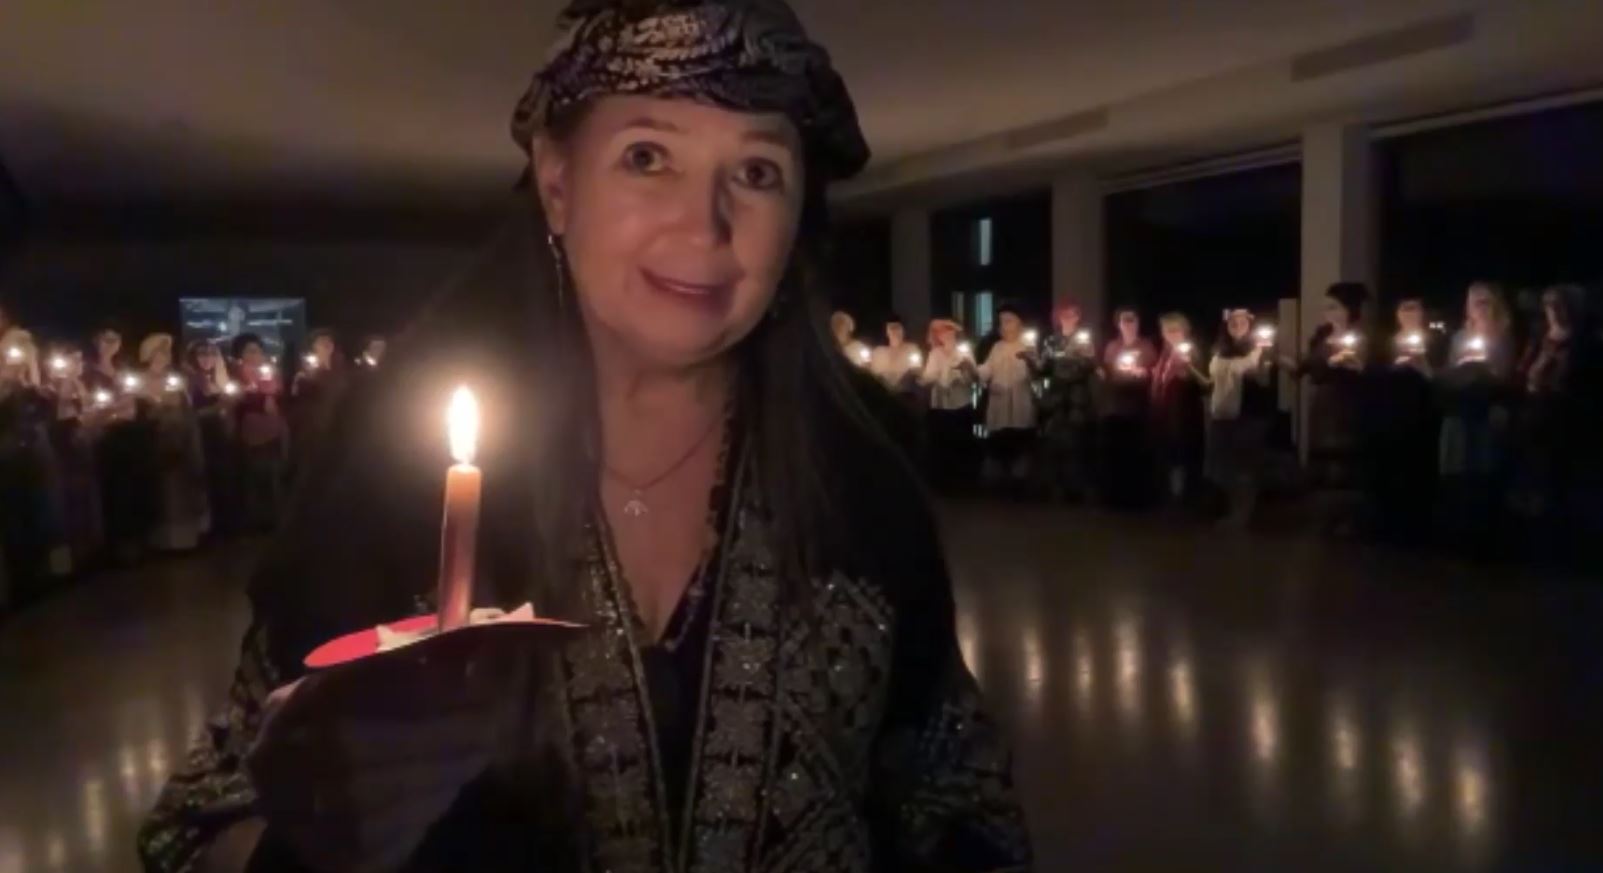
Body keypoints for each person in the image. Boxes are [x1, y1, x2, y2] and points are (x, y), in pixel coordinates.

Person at [140, 3, 1030, 871]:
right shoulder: (387, 471)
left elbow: (957, 791)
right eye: (647, 157)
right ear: (556, 183)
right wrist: (312, 834)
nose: (704, 224)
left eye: (756, 172)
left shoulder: (861, 466)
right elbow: (197, 821)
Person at [1437, 281, 1516, 547]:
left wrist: (1484, 372)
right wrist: (1462, 369)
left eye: (1485, 301)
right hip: (1460, 408)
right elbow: (1449, 372)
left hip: (1485, 409)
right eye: (1475, 302)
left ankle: (1484, 534)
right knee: (1458, 469)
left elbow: (1504, 376)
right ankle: (1457, 531)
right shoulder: (1460, 338)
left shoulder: (1502, 338)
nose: (1480, 307)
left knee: (1482, 470)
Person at [1294, 282, 1371, 536]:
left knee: (1345, 460)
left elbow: (1365, 371)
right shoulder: (1321, 338)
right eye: (1326, 307)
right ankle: (1323, 517)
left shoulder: (1360, 337)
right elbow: (1305, 368)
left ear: (1349, 310)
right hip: (1323, 404)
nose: (1328, 312)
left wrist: (1354, 364)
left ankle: (1348, 519)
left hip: (1347, 403)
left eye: (1334, 307)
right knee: (1322, 459)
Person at [1371, 298, 1443, 544]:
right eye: (1404, 308)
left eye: (1415, 308)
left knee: (1421, 464)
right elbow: (1379, 374)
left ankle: (1420, 525)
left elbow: (1439, 377)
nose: (1410, 313)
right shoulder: (1389, 342)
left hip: (1424, 409)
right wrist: (1396, 367)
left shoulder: (1434, 342)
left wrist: (1423, 366)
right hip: (1394, 411)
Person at [140, 334, 210, 552]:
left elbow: (187, 408)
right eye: (158, 352)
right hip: (156, 439)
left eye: (166, 352)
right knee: (165, 489)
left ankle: (187, 538)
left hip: (181, 437)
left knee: (183, 487)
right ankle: (165, 540)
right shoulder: (141, 380)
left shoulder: (176, 379)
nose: (163, 357)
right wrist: (157, 408)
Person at [1206, 309, 1275, 528]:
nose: (1237, 326)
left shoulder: (1259, 348)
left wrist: (1264, 359)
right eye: (1233, 322)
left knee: (1244, 467)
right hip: (1222, 413)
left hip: (1250, 413)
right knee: (1223, 467)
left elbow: (1263, 380)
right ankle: (1232, 510)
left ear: (1250, 325)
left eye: (1242, 322)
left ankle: (1242, 515)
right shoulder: (1219, 350)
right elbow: (1211, 382)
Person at [1036, 302, 1098, 503]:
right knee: (1054, 441)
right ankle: (1054, 486)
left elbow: (1090, 366)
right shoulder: (1052, 340)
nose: (1068, 318)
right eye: (1064, 315)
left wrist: (1086, 359)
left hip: (1076, 396)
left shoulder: (1084, 340)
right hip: (1056, 397)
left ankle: (1075, 489)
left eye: (1072, 315)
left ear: (1078, 317)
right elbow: (1043, 368)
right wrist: (1032, 361)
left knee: (1076, 442)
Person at [1099, 307, 1158, 509]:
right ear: (1118, 324)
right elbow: (1108, 371)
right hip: (1116, 407)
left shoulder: (1146, 346)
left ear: (1138, 323)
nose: (1129, 324)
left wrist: (1143, 372)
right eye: (1125, 320)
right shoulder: (1112, 346)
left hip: (1137, 406)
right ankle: (1115, 498)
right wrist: (1105, 374)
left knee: (1136, 453)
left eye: (1132, 320)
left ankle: (1136, 498)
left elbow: (1153, 370)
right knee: (1116, 453)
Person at [1149, 313, 1209, 510]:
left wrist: (1188, 370)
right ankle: (1171, 495)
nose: (1171, 334)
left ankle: (1185, 498)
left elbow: (1204, 383)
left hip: (1184, 414)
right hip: (1166, 413)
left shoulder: (1192, 352)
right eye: (1167, 330)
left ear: (1185, 331)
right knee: (1169, 453)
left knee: (1183, 454)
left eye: (1175, 330)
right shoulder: (1165, 354)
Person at [977, 304, 1038, 493]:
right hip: (1000, 404)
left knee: (1020, 443)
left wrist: (1030, 361)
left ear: (1019, 324)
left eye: (1008, 321)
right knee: (1000, 443)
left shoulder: (1027, 346)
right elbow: (987, 370)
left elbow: (1037, 372)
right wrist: (972, 369)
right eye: (1002, 322)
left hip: (1019, 402)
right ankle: (1000, 483)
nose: (1004, 326)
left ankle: (1019, 483)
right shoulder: (997, 347)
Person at [231, 333, 287, 532]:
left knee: (274, 475)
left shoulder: (271, 373)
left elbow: (280, 396)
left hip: (274, 430)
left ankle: (275, 519)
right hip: (251, 432)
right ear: (241, 354)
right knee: (254, 476)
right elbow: (237, 400)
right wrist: (260, 399)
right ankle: (254, 520)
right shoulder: (236, 375)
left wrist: (272, 395)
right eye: (250, 351)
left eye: (258, 351)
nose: (255, 355)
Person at [186, 339, 242, 538]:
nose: (207, 358)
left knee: (224, 479)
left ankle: (226, 526)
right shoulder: (191, 380)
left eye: (212, 354)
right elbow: (190, 413)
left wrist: (232, 404)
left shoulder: (219, 378)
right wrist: (217, 408)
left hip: (222, 434)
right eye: (202, 353)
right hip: (201, 435)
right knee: (207, 481)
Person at [919, 318, 978, 493]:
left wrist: (966, 368)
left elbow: (974, 379)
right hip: (941, 406)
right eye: (939, 332)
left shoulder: (964, 352)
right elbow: (927, 378)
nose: (944, 334)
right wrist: (923, 377)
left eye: (947, 330)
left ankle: (963, 483)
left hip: (961, 404)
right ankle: (944, 483)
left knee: (961, 443)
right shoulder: (935, 354)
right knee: (942, 445)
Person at [868, 312, 922, 396]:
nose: (895, 331)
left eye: (898, 328)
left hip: (906, 394)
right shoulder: (878, 352)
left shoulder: (912, 349)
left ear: (904, 330)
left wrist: (915, 373)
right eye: (891, 328)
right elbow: (873, 375)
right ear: (886, 331)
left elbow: (918, 372)